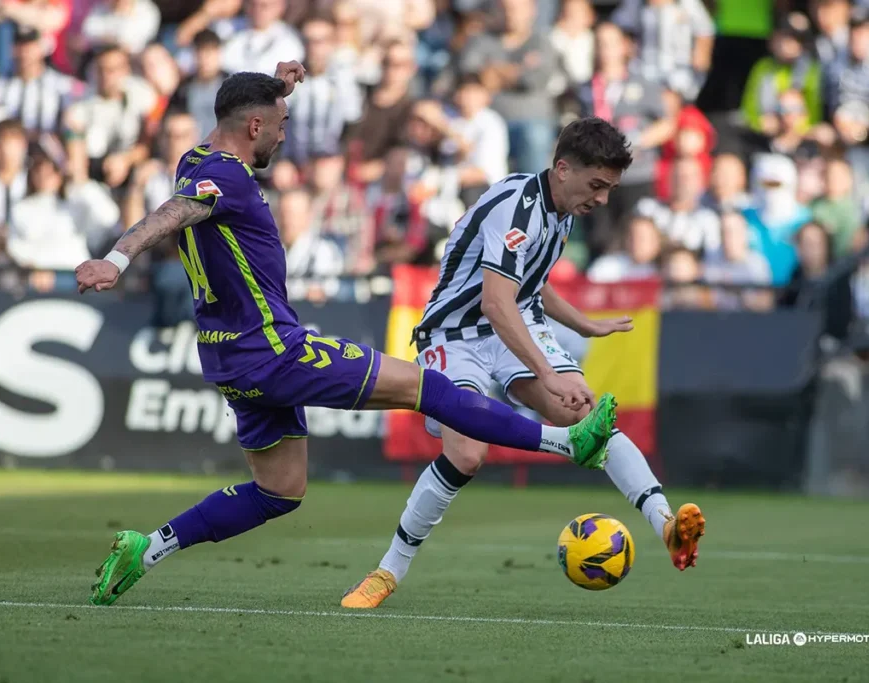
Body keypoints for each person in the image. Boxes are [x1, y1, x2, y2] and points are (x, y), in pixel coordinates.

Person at [74, 63, 619, 607]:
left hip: (228, 359)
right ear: (256, 128)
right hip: (274, 350)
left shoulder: (195, 158)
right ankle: (566, 442)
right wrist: (117, 259)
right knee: (428, 388)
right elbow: (174, 212)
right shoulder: (231, 178)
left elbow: (230, 136)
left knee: (279, 491)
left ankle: (146, 550)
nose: (287, 134)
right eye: (281, 124)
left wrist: (279, 91)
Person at [339, 117, 706, 609]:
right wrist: (549, 372)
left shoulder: (563, 207)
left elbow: (533, 284)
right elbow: (496, 302)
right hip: (456, 333)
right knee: (466, 454)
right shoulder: (517, 207)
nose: (601, 198)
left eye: (610, 189)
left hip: (518, 320)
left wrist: (582, 324)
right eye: (596, 185)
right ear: (562, 169)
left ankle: (665, 524)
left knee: (583, 410)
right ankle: (389, 570)